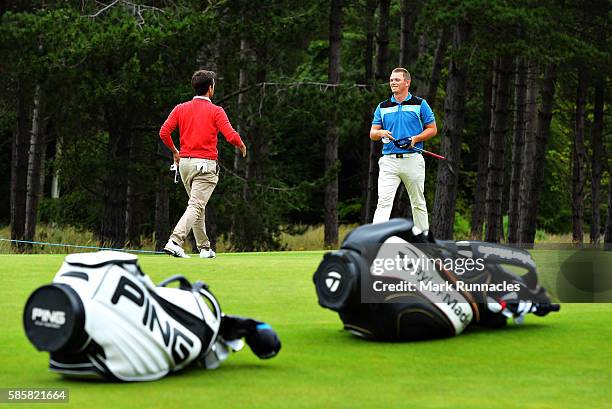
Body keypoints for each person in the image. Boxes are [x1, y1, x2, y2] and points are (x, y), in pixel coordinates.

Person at [160, 70, 247, 258]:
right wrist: (241, 144)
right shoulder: (216, 111)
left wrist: (175, 151)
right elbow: (231, 135)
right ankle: (175, 241)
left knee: (197, 204)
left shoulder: (180, 108)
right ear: (210, 88)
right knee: (196, 205)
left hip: (184, 165)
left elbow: (164, 132)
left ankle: (204, 248)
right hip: (205, 166)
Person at [369, 67, 437, 232]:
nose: (393, 83)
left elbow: (432, 129)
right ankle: (375, 242)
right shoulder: (382, 106)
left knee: (418, 203)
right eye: (391, 80)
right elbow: (372, 133)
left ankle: (424, 241)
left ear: (407, 82)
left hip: (413, 159)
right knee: (383, 202)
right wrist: (381, 132)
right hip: (389, 161)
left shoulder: (420, 104)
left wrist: (415, 139)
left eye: (397, 80)